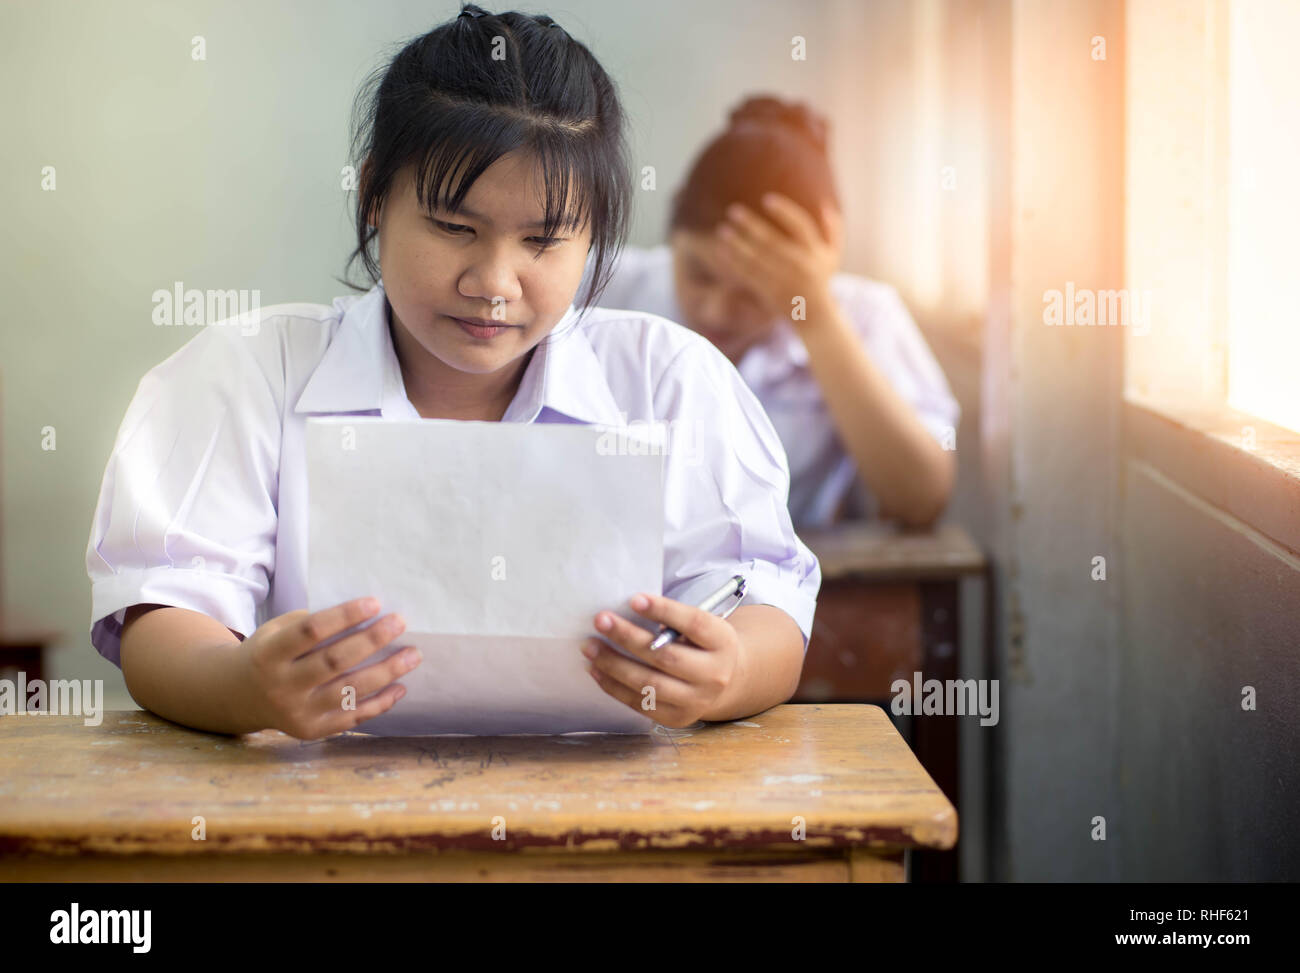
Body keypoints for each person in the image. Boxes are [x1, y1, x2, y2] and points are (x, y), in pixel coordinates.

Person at [85, 6, 819, 741]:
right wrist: (243, 687)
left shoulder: (669, 381)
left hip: (611, 830)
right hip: (315, 830)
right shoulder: (249, 373)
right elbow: (162, 615)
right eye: (454, 228)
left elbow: (767, 604)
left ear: (594, 233)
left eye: (544, 240)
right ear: (375, 195)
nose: (495, 282)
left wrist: (729, 672)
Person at [595, 96, 960, 528]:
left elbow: (922, 497)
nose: (715, 311)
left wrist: (817, 316)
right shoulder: (605, 285)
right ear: (673, 235)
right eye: (699, 275)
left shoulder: (862, 316)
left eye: (753, 294)